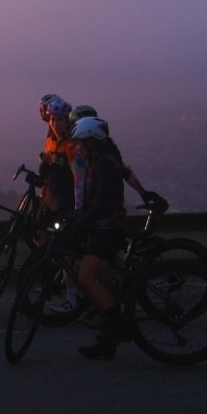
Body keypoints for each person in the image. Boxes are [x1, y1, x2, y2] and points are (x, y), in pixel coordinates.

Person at [68, 115, 136, 361]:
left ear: (92, 142)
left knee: (86, 277)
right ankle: (107, 341)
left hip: (107, 230)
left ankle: (120, 325)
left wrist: (82, 221)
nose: (77, 148)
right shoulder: (100, 161)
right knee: (104, 285)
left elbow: (104, 201)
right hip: (104, 229)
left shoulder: (104, 164)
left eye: (80, 143)